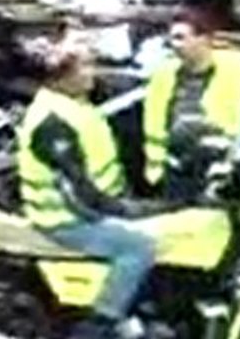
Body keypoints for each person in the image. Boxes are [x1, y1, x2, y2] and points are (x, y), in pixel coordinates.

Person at [16, 33, 171, 339]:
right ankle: (101, 322)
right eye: (84, 67)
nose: (92, 73)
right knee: (139, 247)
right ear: (62, 77)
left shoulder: (75, 102)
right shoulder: (52, 123)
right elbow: (78, 196)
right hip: (65, 219)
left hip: (91, 206)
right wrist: (127, 210)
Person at [142, 10, 240, 193]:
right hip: (174, 167)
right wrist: (157, 169)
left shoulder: (235, 67)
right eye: (172, 39)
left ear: (204, 39)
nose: (174, 45)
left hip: (218, 165)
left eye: (180, 38)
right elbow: (154, 123)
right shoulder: (163, 74)